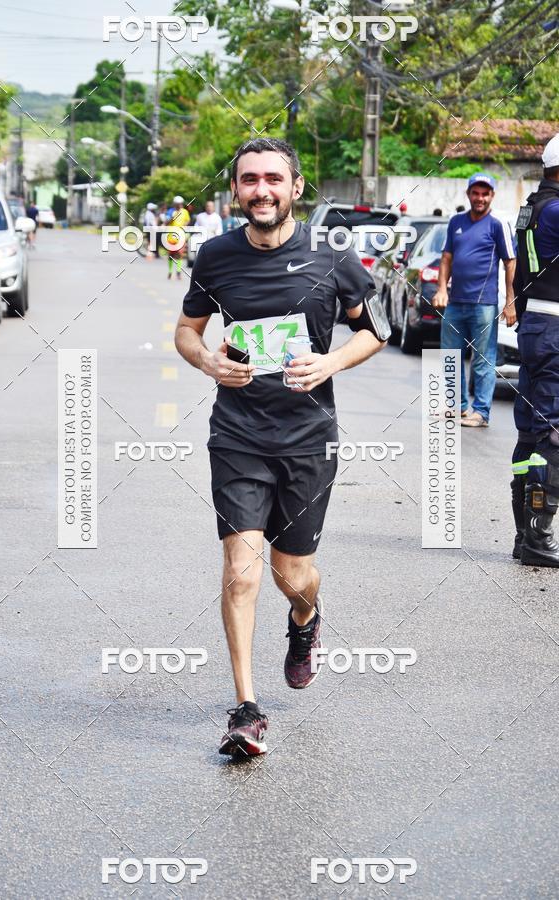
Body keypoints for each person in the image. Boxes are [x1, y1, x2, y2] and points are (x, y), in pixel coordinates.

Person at [174, 137, 387, 757]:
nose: (261, 190)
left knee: (291, 576)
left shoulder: (330, 253)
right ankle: (245, 709)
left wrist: (330, 362)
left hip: (307, 439)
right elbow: (186, 331)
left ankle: (304, 620)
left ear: (295, 187)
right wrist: (209, 362)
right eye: (249, 180)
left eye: (273, 179)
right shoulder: (215, 255)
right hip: (237, 434)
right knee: (241, 572)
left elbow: (375, 330)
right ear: (235, 190)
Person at [432, 173, 516, 427]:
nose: (480, 198)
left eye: (485, 194)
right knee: (450, 356)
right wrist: (441, 289)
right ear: (468, 194)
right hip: (455, 302)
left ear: (492, 196)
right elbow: (446, 257)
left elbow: (510, 262)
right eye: (476, 193)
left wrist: (510, 301)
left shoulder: (497, 225)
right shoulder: (456, 221)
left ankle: (481, 412)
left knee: (483, 359)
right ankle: (456, 407)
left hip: (484, 305)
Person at [510, 133, 559, 567]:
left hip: (533, 326)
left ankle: (523, 535)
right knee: (552, 435)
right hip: (554, 326)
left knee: (530, 433)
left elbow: (522, 273)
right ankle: (539, 540)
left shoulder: (532, 207)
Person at [165, 195, 190, 279]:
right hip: (171, 236)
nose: (179, 205)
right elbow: (166, 223)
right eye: (177, 204)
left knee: (179, 254)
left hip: (180, 236)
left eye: (180, 204)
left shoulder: (184, 212)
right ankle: (170, 271)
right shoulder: (170, 211)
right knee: (171, 255)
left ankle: (178, 272)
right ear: (174, 204)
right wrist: (172, 218)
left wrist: (185, 225)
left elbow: (187, 220)